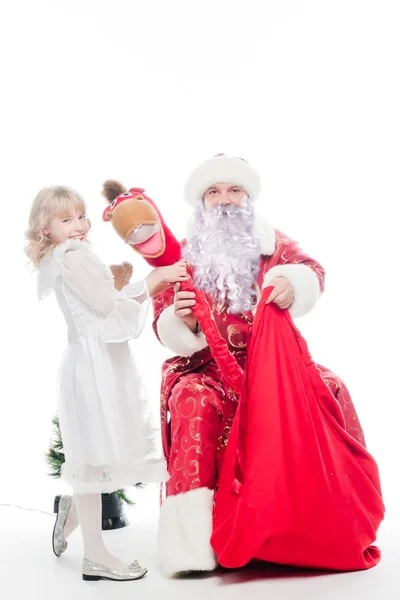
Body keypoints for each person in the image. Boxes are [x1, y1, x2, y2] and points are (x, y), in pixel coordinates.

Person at [152, 154, 366, 576]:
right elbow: (162, 323)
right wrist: (184, 321)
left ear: (247, 197)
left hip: (270, 364)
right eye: (214, 192)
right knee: (192, 400)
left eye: (234, 190)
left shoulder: (272, 244)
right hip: (205, 368)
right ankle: (194, 544)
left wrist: (292, 284)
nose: (225, 200)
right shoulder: (181, 255)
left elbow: (312, 270)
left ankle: (328, 520)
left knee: (331, 386)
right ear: (201, 203)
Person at [25, 185, 188, 582]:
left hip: (94, 361)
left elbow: (104, 302)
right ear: (44, 228)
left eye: (81, 216)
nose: (79, 225)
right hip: (95, 365)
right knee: (96, 453)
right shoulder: (72, 257)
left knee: (100, 453)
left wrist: (142, 284)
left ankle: (73, 512)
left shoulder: (65, 257)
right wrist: (155, 280)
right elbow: (108, 308)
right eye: (66, 219)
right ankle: (94, 555)